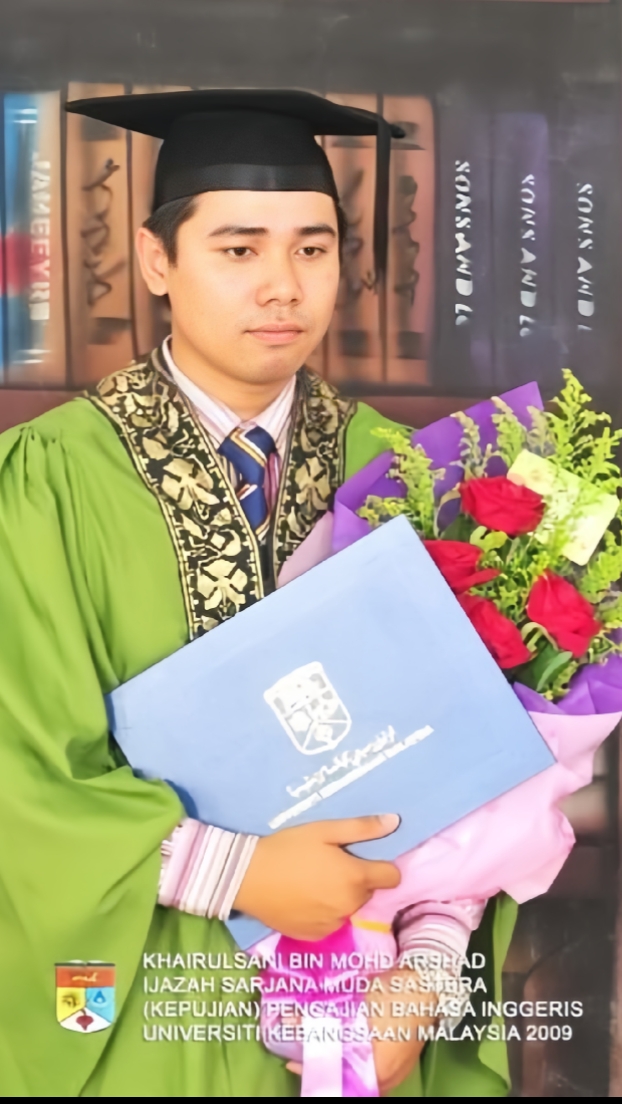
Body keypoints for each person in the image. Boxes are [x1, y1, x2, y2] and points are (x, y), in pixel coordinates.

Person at [0, 89, 516, 1098]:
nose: (282, 286)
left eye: (312, 249)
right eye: (238, 249)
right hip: (146, 1006)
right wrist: (239, 874)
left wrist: (422, 979)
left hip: (367, 1001)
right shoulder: (43, 485)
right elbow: (19, 771)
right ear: (157, 260)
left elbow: (477, 766)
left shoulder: (406, 475)